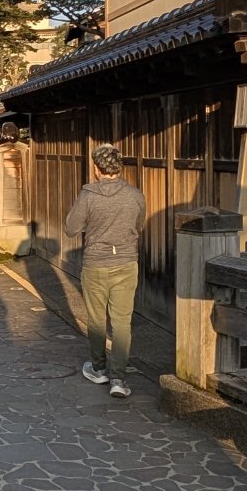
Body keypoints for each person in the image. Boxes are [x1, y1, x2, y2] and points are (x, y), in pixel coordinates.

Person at [63, 142, 144, 399]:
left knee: (97, 320)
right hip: (126, 262)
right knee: (122, 322)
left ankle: (99, 369)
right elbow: (138, 226)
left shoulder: (88, 195)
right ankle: (119, 378)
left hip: (96, 263)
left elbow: (71, 228)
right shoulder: (135, 195)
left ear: (97, 169)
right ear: (119, 167)